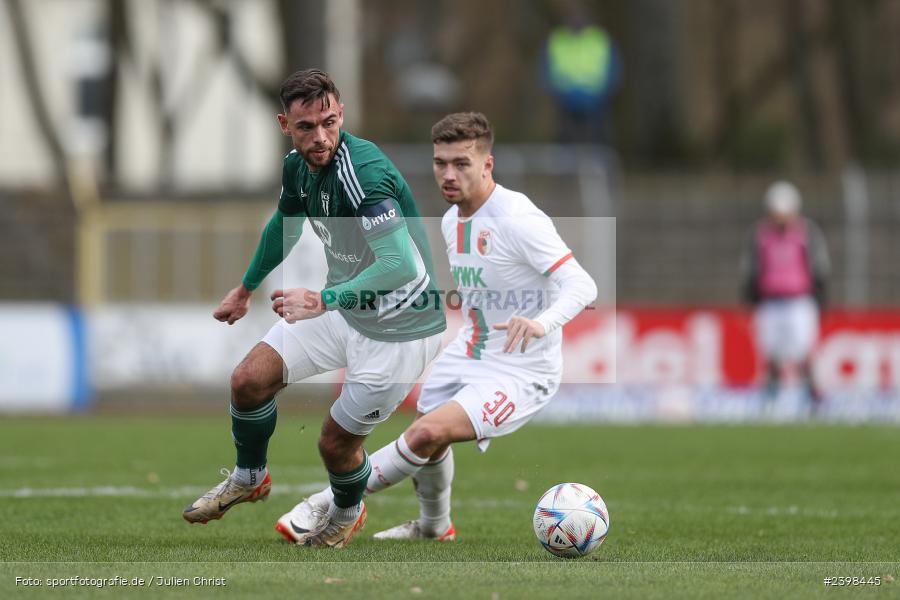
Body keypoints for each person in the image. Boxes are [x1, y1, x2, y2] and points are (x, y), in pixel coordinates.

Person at [277, 112, 597, 543]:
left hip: (523, 370)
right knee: (430, 439)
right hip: (471, 349)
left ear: (488, 165)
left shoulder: (517, 218)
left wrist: (541, 323)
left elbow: (582, 283)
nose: (448, 174)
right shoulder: (451, 220)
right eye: (440, 163)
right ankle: (434, 527)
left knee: (426, 433)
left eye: (461, 163)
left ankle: (327, 503)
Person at [182, 69, 446, 549]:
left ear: (341, 112)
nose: (321, 137)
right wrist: (245, 288)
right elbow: (284, 224)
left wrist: (323, 299)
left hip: (400, 328)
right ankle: (249, 476)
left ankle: (346, 513)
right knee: (248, 380)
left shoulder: (362, 174)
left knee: (335, 444)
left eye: (329, 122)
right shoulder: (296, 168)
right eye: (307, 127)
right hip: (346, 309)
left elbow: (399, 265)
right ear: (286, 124)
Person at [741, 181, 830, 405]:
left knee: (802, 352)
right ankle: (771, 398)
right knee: (771, 353)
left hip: (799, 301)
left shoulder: (806, 233)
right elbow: (751, 267)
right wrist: (749, 295)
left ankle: (812, 399)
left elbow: (819, 266)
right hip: (770, 302)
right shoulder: (761, 235)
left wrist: (821, 295)